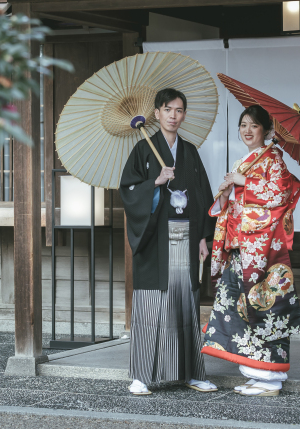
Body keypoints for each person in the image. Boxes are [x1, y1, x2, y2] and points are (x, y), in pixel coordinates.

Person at [201, 104, 300, 397]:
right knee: (236, 309)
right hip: (241, 248)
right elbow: (237, 205)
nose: (247, 131)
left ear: (267, 131)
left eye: (254, 126)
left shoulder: (273, 159)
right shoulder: (245, 160)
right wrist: (225, 194)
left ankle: (270, 379)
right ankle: (255, 372)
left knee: (263, 309)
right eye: (243, 124)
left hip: (261, 253)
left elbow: (280, 193)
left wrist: (243, 182)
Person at [120, 88, 218, 396]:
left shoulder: (189, 151)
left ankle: (190, 372)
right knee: (151, 308)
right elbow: (129, 192)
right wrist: (155, 183)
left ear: (183, 115)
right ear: (157, 114)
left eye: (178, 110)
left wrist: (204, 236)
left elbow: (203, 195)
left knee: (184, 306)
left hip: (186, 240)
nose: (173, 115)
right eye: (167, 109)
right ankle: (141, 376)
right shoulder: (143, 151)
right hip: (155, 242)